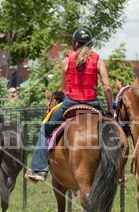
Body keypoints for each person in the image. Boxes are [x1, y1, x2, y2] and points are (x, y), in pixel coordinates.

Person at [25, 28, 114, 183]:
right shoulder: (98, 60)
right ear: (90, 44)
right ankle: (117, 173)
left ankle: (38, 169)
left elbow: (64, 88)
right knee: (112, 132)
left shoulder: (67, 61)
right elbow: (107, 87)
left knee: (45, 130)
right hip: (93, 105)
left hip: (70, 104)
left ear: (75, 44)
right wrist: (110, 109)